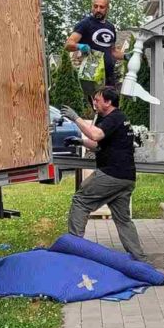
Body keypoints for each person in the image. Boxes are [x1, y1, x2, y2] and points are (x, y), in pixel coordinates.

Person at [60, 86, 147, 263]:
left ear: (108, 102)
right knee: (123, 219)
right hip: (126, 177)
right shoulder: (115, 119)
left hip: (112, 174)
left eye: (97, 100)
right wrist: (80, 141)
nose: (94, 102)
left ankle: (74, 250)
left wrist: (75, 118)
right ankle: (139, 260)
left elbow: (95, 134)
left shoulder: (114, 117)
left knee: (81, 200)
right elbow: (99, 145)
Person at [65, 0, 125, 87]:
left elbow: (113, 52)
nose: (98, 10)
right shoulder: (85, 24)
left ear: (107, 9)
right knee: (96, 101)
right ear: (91, 7)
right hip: (91, 77)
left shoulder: (111, 27)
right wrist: (79, 46)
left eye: (101, 7)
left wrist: (126, 56)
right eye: (95, 6)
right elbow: (68, 44)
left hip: (109, 77)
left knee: (110, 101)